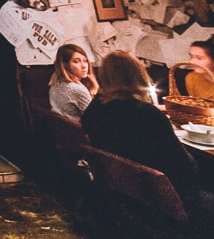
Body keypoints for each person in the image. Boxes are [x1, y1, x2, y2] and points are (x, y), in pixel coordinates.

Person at [81, 51, 196, 199]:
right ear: (137, 75)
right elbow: (185, 165)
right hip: (162, 196)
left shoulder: (95, 108)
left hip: (120, 190)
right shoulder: (147, 114)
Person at [49, 43, 99, 120]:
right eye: (76, 61)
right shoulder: (77, 89)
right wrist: (96, 88)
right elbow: (97, 118)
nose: (84, 66)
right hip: (80, 130)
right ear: (65, 65)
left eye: (85, 61)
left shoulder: (55, 85)